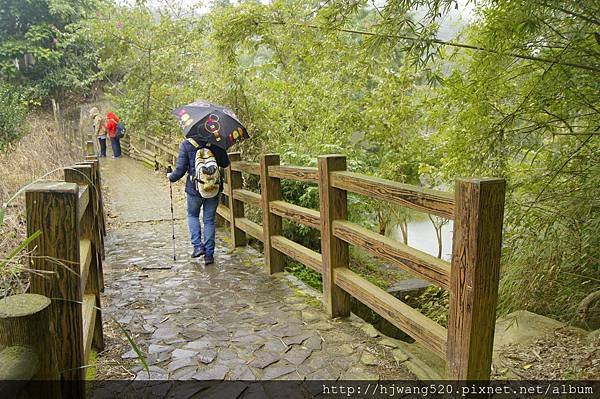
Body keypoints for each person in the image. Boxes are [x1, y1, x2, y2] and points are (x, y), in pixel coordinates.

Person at [167, 133, 230, 265]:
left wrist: (171, 177)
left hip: (194, 189)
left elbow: (180, 170)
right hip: (213, 188)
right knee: (209, 221)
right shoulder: (216, 142)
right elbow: (225, 163)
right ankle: (209, 255)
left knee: (192, 215)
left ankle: (197, 246)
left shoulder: (187, 144)